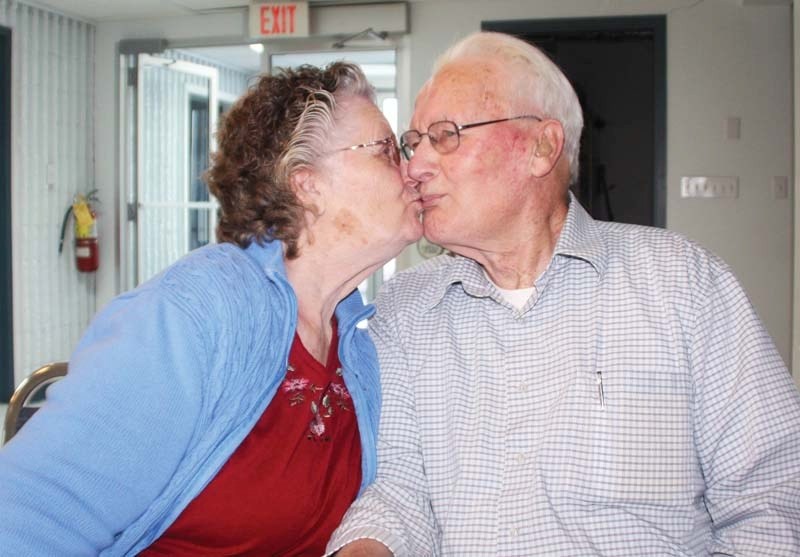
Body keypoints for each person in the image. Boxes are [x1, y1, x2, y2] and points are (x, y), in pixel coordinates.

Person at [328, 32, 800, 556]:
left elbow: (772, 497)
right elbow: (399, 493)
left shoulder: (682, 284)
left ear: (541, 147)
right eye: (414, 142)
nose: (414, 167)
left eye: (446, 135)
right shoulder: (404, 308)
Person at [0, 62, 422, 555]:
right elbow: (29, 519)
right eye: (387, 151)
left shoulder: (358, 343)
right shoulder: (199, 311)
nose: (412, 169)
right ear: (306, 183)